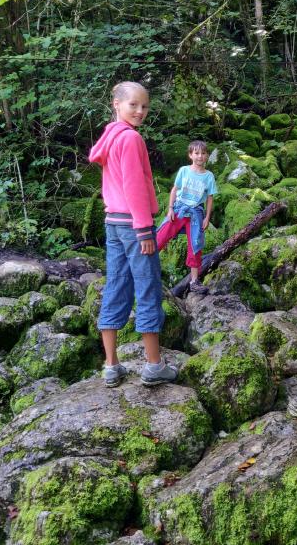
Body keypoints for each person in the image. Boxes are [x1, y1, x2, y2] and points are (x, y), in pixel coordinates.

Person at [88, 81, 178, 387]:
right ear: (116, 103)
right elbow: (134, 187)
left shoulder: (109, 136)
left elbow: (110, 184)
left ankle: (111, 365)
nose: (140, 111)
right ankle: (153, 366)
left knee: (116, 285)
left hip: (113, 221)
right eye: (133, 105)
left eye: (145, 106)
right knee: (148, 289)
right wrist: (144, 230)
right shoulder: (130, 139)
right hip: (134, 224)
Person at [156, 140, 217, 294]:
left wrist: (207, 218)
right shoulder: (184, 170)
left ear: (207, 156)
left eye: (203, 153)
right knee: (160, 236)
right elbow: (174, 189)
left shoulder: (209, 176)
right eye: (196, 153)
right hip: (179, 208)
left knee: (196, 244)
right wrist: (170, 209)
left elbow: (210, 198)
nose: (200, 156)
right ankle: (144, 270)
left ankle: (194, 282)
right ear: (190, 155)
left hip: (196, 213)